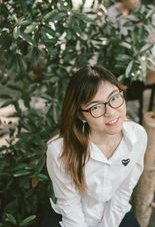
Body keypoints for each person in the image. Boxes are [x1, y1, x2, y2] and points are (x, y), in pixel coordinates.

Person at [41, 65, 147, 227]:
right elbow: (70, 205)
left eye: (114, 98)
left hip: (114, 211)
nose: (110, 111)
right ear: (80, 115)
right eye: (96, 106)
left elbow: (123, 192)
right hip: (70, 217)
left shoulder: (137, 136)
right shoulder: (60, 150)